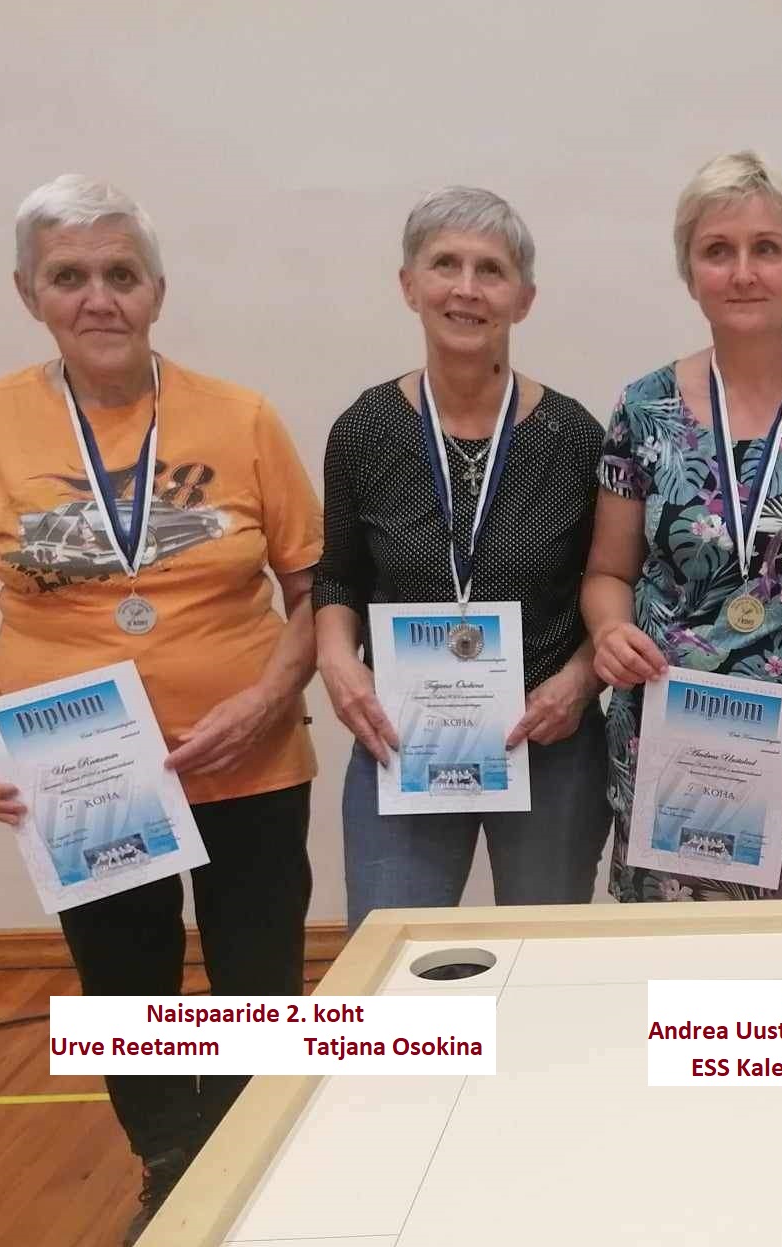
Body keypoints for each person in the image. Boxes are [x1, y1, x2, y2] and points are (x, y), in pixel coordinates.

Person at [0, 175, 322, 1247]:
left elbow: (314, 590)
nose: (98, 298)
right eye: (69, 277)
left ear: (156, 291)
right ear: (28, 295)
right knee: (125, 985)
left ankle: (250, 1164)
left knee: (258, 983)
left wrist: (269, 699)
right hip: (82, 777)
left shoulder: (241, 416)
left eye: (120, 275)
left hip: (248, 760)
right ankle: (171, 1167)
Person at [315, 187, 608, 928]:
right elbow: (339, 576)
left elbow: (609, 583)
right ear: (409, 284)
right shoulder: (363, 430)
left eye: (492, 270)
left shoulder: (574, 436)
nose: (467, 289)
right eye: (445, 264)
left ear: (524, 298)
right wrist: (338, 664)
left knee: (546, 957)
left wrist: (578, 684)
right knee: (394, 952)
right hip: (403, 736)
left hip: (546, 737)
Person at [583, 151, 782, 900]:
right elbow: (608, 572)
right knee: (674, 963)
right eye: (718, 251)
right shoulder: (644, 408)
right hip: (671, 750)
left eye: (765, 249)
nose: (743, 273)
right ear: (690, 272)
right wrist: (610, 631)